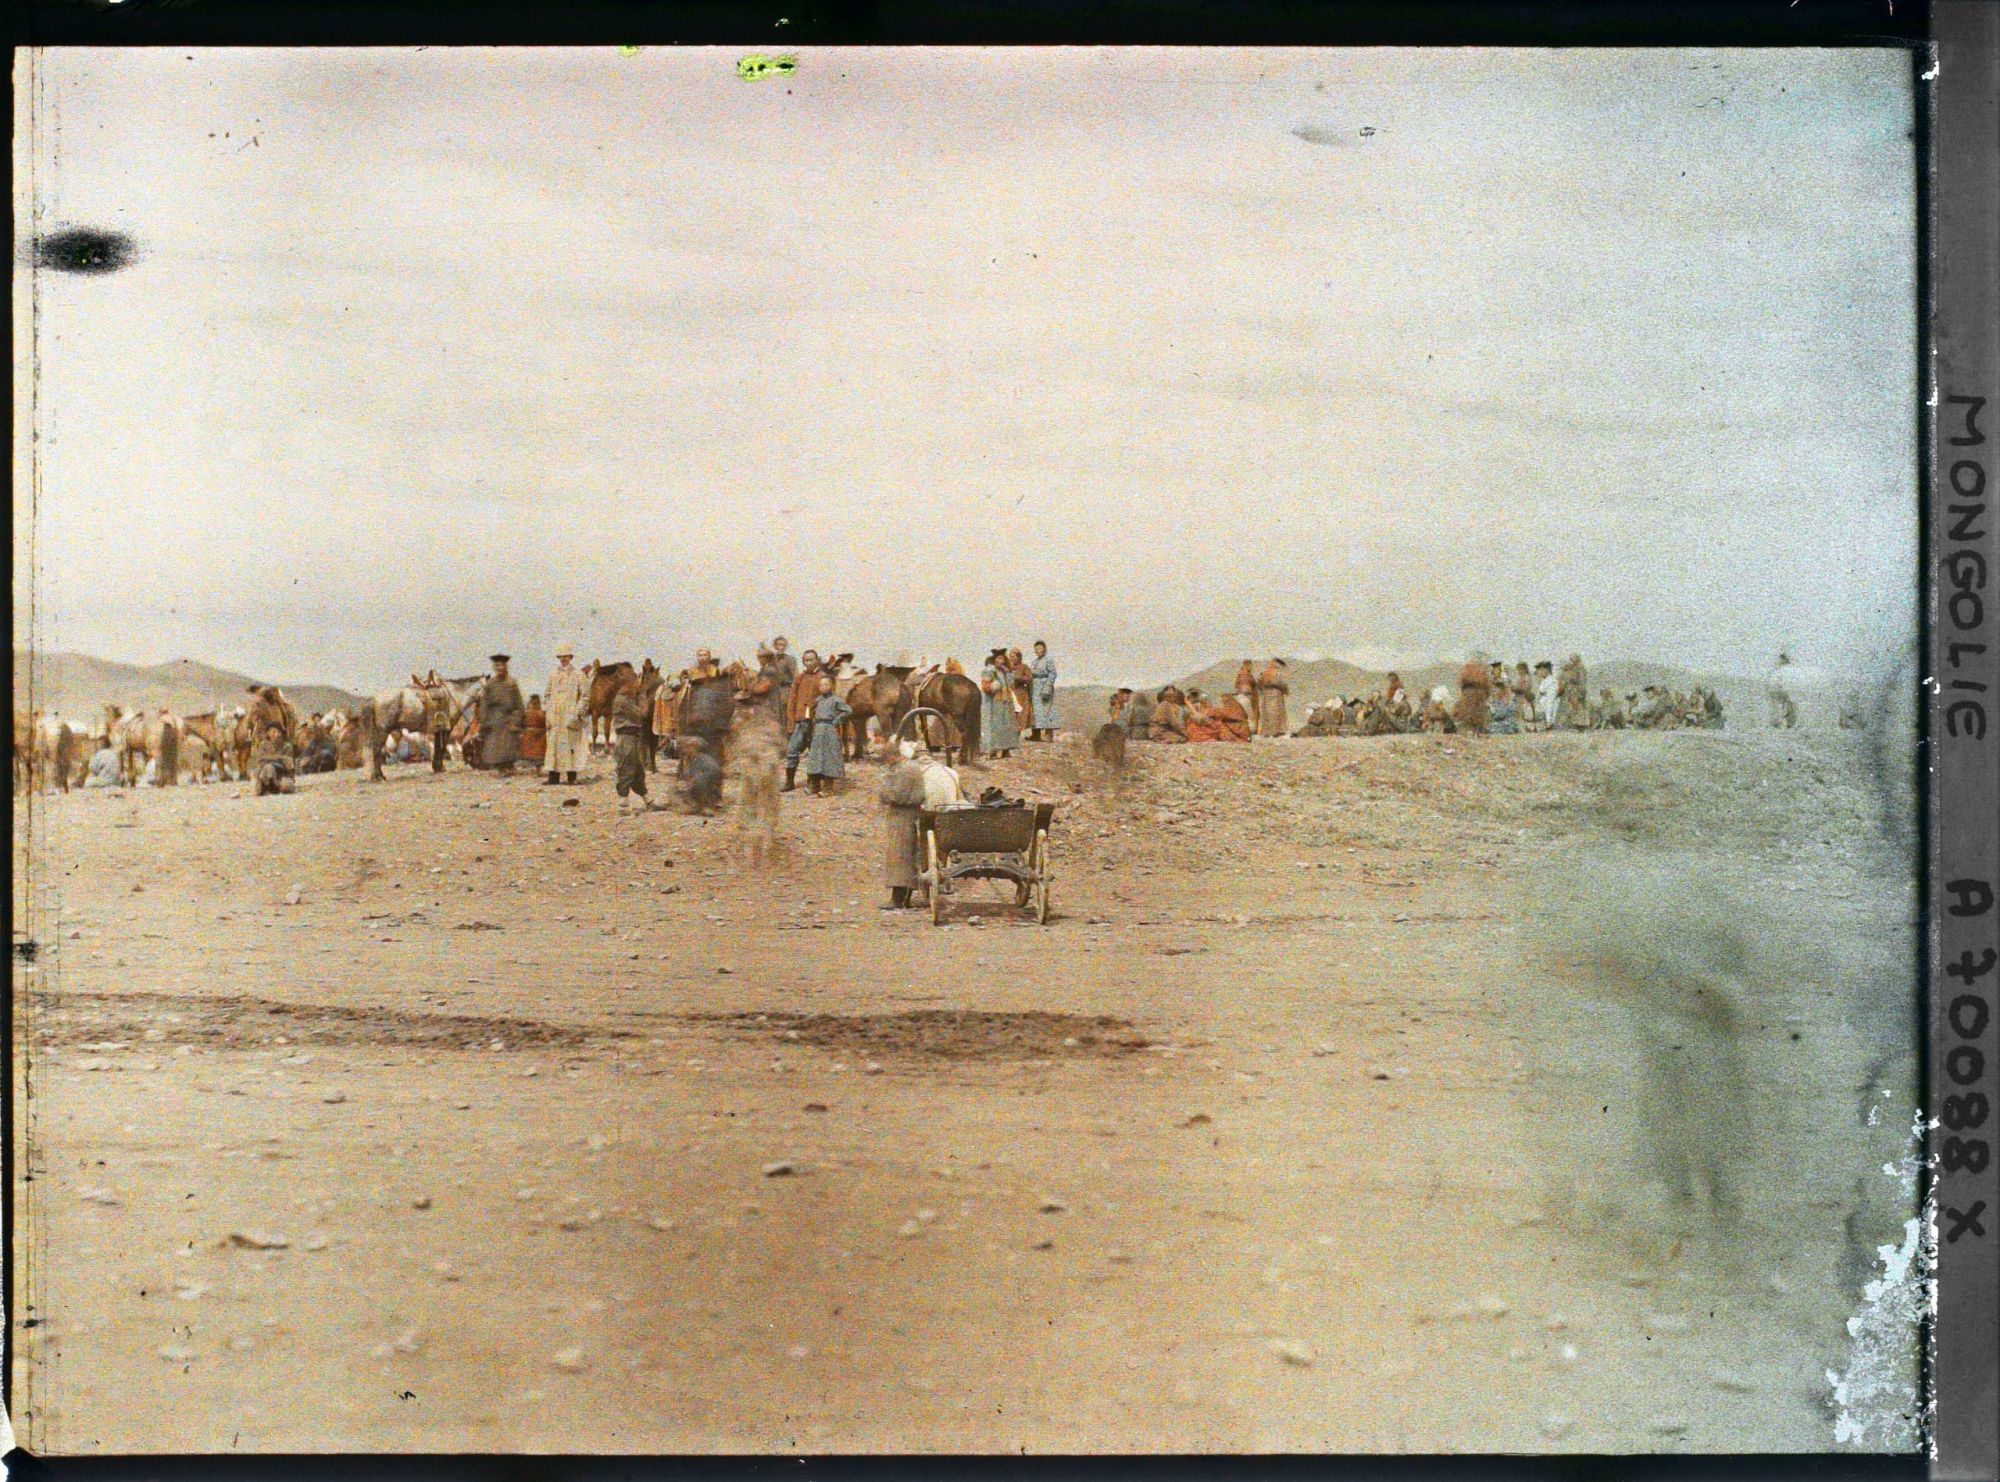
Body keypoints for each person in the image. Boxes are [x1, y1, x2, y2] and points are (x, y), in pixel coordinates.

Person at [879, 740, 928, 910]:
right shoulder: (912, 767)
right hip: (909, 814)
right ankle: (905, 897)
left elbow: (896, 795)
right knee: (906, 856)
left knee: (899, 857)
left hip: (903, 816)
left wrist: (883, 790)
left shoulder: (904, 770)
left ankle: (898, 899)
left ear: (892, 756)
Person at [782, 649, 828, 792]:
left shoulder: (823, 678)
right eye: (806, 660)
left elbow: (828, 700)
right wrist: (791, 723)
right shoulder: (799, 678)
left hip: (816, 723)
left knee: (815, 753)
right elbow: (791, 701)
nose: (809, 663)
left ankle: (813, 782)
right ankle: (789, 782)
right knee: (792, 751)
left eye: (811, 660)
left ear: (817, 660)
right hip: (800, 722)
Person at [545, 644, 589, 785]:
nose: (563, 659)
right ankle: (553, 777)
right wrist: (549, 712)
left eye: (566, 656)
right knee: (554, 746)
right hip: (555, 716)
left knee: (571, 746)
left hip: (570, 715)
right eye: (561, 656)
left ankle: (572, 778)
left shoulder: (579, 675)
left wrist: (577, 713)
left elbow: (585, 696)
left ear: (570, 657)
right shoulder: (553, 675)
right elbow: (547, 695)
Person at [802, 675, 853, 795]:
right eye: (821, 685)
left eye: (826, 684)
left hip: (830, 730)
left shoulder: (836, 700)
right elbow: (811, 711)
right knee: (816, 757)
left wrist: (837, 720)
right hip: (818, 731)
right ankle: (814, 786)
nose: (823, 687)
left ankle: (828, 789)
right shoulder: (818, 700)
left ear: (831, 686)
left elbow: (848, 710)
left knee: (829, 758)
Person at [611, 673, 654, 811]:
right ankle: (623, 802)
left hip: (631, 737)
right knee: (626, 768)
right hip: (626, 737)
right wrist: (642, 694)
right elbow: (642, 714)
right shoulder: (622, 700)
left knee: (637, 769)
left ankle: (647, 799)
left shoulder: (626, 699)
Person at [477, 654, 525, 774]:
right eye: (497, 665)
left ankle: (509, 765)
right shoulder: (490, 684)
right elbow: (484, 704)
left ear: (506, 666)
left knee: (508, 744)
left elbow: (519, 705)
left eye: (502, 665)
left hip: (509, 718)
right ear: (494, 667)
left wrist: (517, 720)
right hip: (493, 718)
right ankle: (500, 767)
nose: (500, 668)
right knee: (495, 745)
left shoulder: (512, 683)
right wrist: (483, 721)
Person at [981, 648, 1021, 758]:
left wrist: (1009, 673)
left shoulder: (1005, 671)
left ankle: (1005, 750)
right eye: (998, 658)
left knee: (1007, 725)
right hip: (996, 701)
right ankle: (993, 750)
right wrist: (993, 686)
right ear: (994, 659)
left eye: (1002, 659)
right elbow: (985, 687)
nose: (1000, 661)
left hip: (1007, 700)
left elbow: (1011, 684)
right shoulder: (989, 671)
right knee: (996, 726)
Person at [1027, 641, 1060, 741]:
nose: (1038, 651)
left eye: (1040, 649)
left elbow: (1053, 673)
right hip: (1034, 687)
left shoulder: (1048, 660)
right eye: (1036, 649)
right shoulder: (1034, 662)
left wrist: (1048, 686)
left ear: (1044, 649)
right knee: (1036, 711)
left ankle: (1048, 735)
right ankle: (1035, 734)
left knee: (1047, 710)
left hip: (1044, 685)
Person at [252, 723, 297, 796]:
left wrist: (275, 759)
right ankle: (267, 786)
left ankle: (274, 786)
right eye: (273, 732)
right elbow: (259, 760)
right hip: (265, 773)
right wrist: (276, 759)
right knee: (268, 768)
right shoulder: (263, 745)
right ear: (268, 734)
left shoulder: (287, 747)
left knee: (287, 787)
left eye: (277, 732)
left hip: (282, 774)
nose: (275, 734)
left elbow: (289, 763)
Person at [1454, 657, 1491, 734]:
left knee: (1477, 716)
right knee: (1468, 716)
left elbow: (1488, 686)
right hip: (1471, 696)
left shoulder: (1483, 671)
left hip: (1478, 697)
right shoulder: (1468, 670)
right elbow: (1461, 682)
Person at [1256, 658, 1290, 738]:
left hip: (1266, 696)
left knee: (1267, 714)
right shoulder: (1277, 673)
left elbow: (1259, 684)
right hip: (1276, 695)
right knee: (1276, 714)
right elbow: (1281, 684)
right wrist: (1285, 690)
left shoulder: (1264, 673)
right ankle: (1276, 732)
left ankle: (1267, 732)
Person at [521, 695, 548, 772]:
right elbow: (544, 722)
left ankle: (535, 768)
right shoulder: (541, 713)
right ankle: (538, 769)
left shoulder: (527, 713)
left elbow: (523, 723)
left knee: (533, 753)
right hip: (540, 734)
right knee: (539, 754)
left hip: (529, 733)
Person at [1234, 660, 1259, 737]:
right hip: (1245, 696)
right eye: (1251, 666)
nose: (1252, 668)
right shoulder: (1247, 675)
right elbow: (1254, 684)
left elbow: (1236, 685)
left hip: (1240, 696)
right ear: (1248, 665)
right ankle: (1250, 730)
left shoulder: (1239, 675)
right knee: (1250, 715)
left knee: (1243, 714)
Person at [1535, 662, 1559, 731]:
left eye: (1542, 670)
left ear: (1547, 671)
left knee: (1549, 709)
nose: (1540, 672)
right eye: (1539, 671)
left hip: (1550, 701)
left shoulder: (1551, 680)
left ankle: (1549, 724)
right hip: (1545, 701)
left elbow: (1550, 700)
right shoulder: (1544, 680)